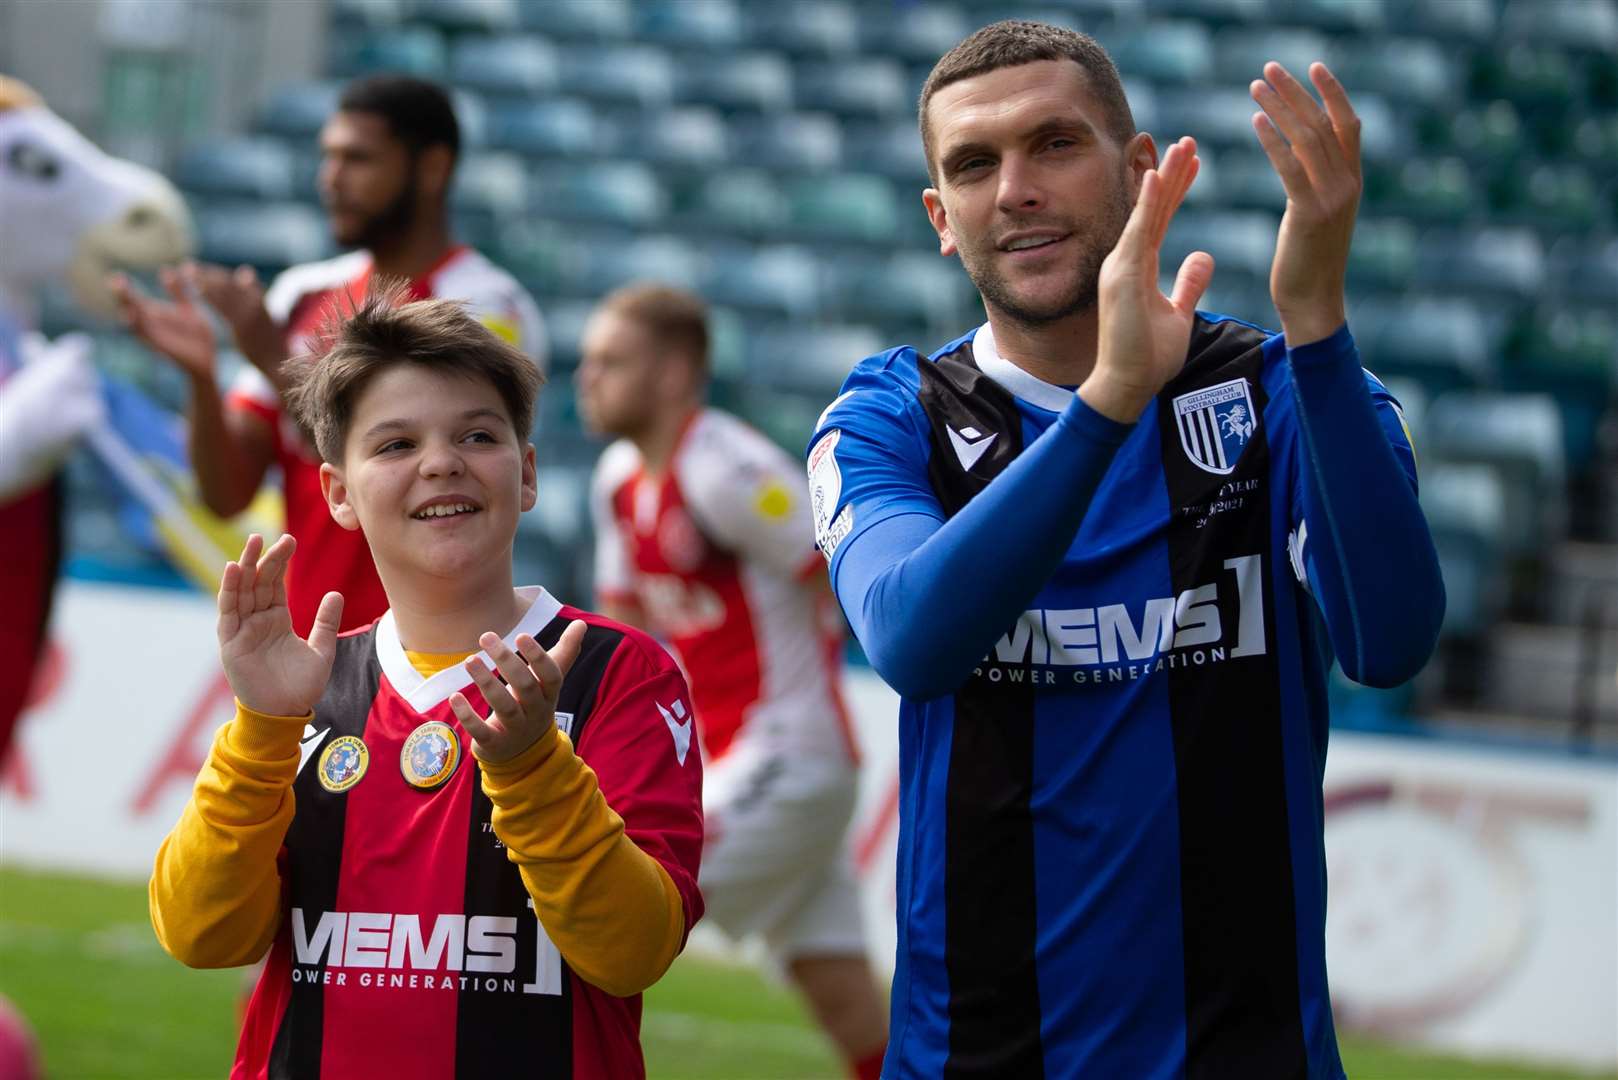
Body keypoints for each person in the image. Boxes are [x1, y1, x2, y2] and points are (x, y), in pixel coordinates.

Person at [806, 20, 1444, 1079]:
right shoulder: (890, 415)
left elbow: (1388, 643)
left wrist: (1319, 324)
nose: (1014, 188)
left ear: (1140, 168)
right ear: (941, 220)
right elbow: (913, 641)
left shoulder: (1286, 391)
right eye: (974, 165)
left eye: (1054, 144)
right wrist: (1109, 402)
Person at [149, 290, 702, 1078]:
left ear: (529, 472)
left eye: (477, 434)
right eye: (396, 444)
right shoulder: (306, 686)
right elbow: (201, 935)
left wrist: (533, 769)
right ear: (338, 492)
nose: (441, 461)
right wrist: (261, 728)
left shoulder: (619, 671)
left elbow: (632, 953)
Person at [576, 283, 888, 1080]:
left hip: (787, 757)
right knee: (847, 1000)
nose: (588, 377)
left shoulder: (724, 467)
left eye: (612, 361)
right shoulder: (618, 479)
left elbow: (838, 565)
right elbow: (627, 635)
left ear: (676, 374)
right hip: (738, 765)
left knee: (601, 912)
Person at [113, 74, 544, 635]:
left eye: (358, 159)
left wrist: (272, 357)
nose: (331, 179)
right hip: (308, 657)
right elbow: (226, 496)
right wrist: (199, 375)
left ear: (433, 168)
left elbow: (417, 452)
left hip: (443, 654)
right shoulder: (301, 295)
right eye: (328, 158)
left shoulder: (488, 306)